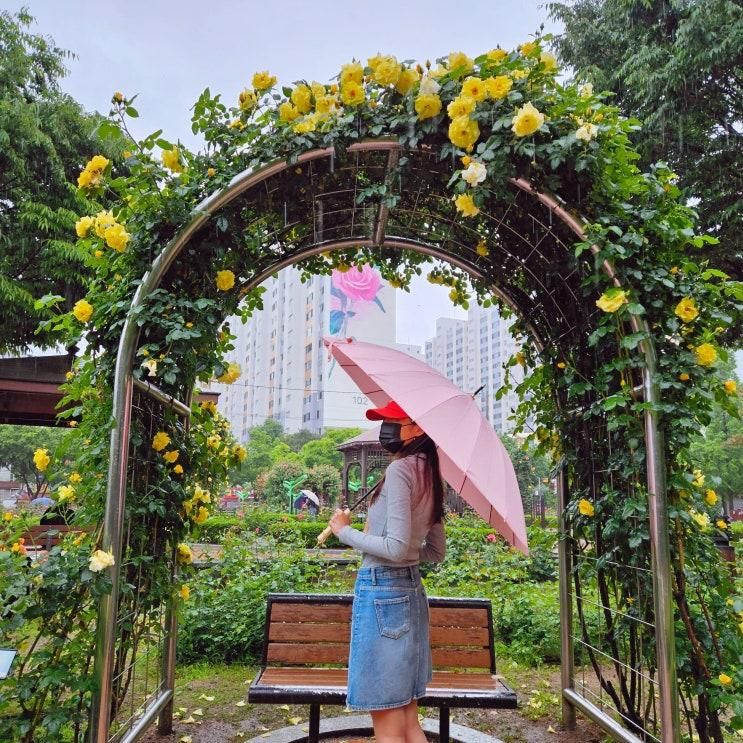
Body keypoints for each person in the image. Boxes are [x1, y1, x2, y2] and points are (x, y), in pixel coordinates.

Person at [329, 400, 446, 743]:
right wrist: (407, 551)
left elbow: (394, 548)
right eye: (386, 420)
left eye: (396, 420)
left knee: (389, 721)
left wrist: (343, 532)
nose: (388, 427)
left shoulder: (401, 471)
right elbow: (435, 552)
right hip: (410, 594)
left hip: (383, 594)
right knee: (407, 719)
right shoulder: (430, 473)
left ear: (419, 427)